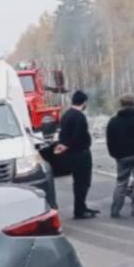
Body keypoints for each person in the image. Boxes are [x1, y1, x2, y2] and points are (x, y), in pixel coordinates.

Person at [54, 90, 99, 219]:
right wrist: (68, 145)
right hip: (80, 153)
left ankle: (82, 206)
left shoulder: (66, 115)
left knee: (78, 182)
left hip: (71, 154)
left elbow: (63, 134)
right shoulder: (79, 116)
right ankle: (80, 209)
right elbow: (78, 135)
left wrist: (64, 145)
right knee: (83, 182)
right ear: (84, 102)